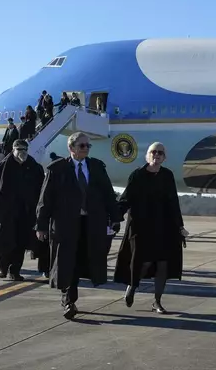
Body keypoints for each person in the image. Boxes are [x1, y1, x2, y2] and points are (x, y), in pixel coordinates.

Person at [36, 132, 122, 320]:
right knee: (68, 262)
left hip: (91, 225)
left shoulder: (97, 167)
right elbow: (45, 200)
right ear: (71, 148)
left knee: (84, 261)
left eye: (88, 146)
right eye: (82, 145)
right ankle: (68, 300)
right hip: (66, 225)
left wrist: (115, 218)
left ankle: (70, 298)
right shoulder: (57, 169)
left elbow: (108, 194)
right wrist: (41, 226)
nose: (86, 149)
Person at [114, 142, 188, 314]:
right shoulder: (137, 175)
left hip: (164, 226)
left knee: (163, 264)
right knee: (144, 262)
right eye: (153, 152)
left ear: (164, 157)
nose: (157, 155)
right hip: (141, 226)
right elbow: (126, 199)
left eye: (160, 153)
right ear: (147, 156)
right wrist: (116, 217)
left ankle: (157, 302)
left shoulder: (167, 176)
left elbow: (173, 203)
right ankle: (133, 285)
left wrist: (180, 226)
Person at [0, 139, 45, 280]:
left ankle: (14, 270)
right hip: (5, 212)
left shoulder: (35, 167)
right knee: (5, 243)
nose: (22, 152)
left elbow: (41, 190)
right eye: (19, 150)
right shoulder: (0, 167)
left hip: (25, 212)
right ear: (13, 150)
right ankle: (2, 267)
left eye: (25, 150)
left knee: (20, 243)